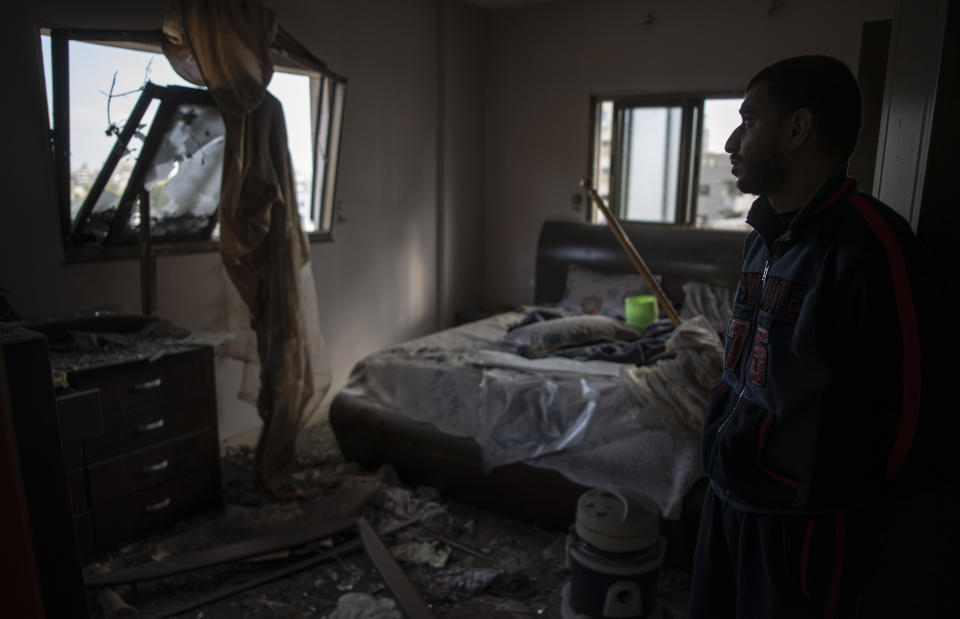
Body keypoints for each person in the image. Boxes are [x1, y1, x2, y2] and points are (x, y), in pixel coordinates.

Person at [689, 55, 955, 618]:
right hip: (729, 496)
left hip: (801, 529)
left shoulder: (872, 247)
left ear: (798, 128)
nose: (733, 141)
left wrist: (838, 500)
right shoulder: (762, 237)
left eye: (749, 120)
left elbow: (915, 413)